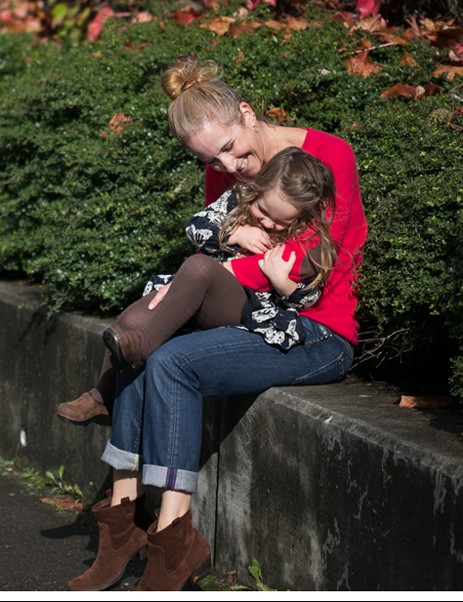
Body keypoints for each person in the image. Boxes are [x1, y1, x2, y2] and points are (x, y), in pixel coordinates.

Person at [66, 58, 367, 591]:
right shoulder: (228, 170)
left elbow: (308, 264)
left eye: (230, 149)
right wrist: (199, 275)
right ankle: (122, 515)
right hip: (251, 311)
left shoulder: (326, 158)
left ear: (247, 112)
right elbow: (217, 241)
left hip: (315, 330)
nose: (229, 167)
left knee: (169, 358)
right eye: (211, 160)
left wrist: (211, 273)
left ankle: (172, 538)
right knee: (143, 338)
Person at [57, 146, 336, 427]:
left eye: (281, 221)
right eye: (263, 210)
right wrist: (235, 233)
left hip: (247, 308)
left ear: (299, 217)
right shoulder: (238, 197)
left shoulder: (305, 236)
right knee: (132, 320)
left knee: (197, 266)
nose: (268, 223)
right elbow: (195, 228)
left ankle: (143, 348)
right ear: (258, 187)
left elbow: (310, 298)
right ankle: (101, 398)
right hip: (197, 293)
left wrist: (284, 284)